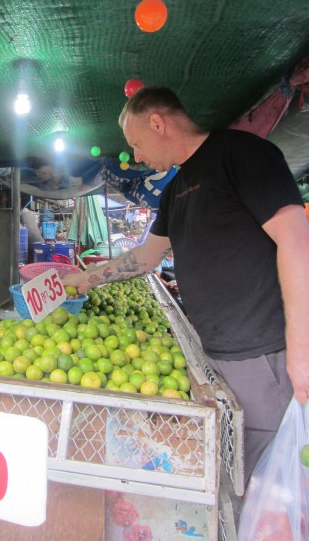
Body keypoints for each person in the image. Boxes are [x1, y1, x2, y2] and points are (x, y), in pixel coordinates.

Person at [63, 86, 309, 485]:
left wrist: (302, 348)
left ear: (158, 122)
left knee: (272, 479)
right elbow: (145, 257)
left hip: (263, 354)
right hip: (216, 355)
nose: (137, 156)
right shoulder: (176, 190)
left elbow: (296, 240)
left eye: (137, 143)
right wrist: (83, 279)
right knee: (238, 471)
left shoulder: (240, 153)